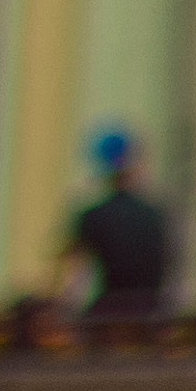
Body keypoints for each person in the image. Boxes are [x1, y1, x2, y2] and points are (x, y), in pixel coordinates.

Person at [64, 127, 174, 325]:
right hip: (153, 316)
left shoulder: (92, 217)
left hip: (109, 317)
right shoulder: (157, 214)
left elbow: (73, 278)